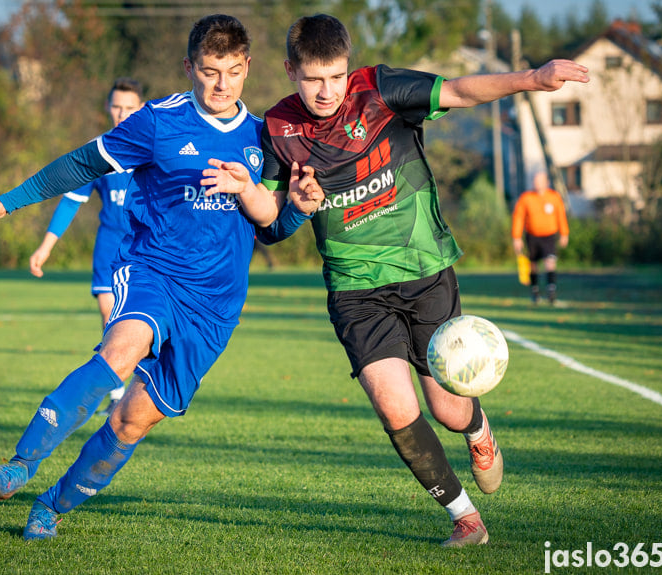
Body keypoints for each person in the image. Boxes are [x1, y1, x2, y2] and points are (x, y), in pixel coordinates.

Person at [211, 14, 589, 547]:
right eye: (314, 78)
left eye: (336, 76)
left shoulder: (379, 89)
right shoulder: (277, 128)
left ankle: (477, 430)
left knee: (449, 409)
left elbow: (459, 89)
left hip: (424, 271)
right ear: (291, 70)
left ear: (348, 68)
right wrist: (278, 200)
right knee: (395, 408)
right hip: (354, 288)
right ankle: (465, 518)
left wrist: (532, 78)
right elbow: (272, 224)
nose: (327, 91)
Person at [0, 14, 309, 541]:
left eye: (233, 72)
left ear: (248, 68)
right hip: (153, 272)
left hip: (215, 306)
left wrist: (299, 209)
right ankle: (20, 463)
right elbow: (83, 164)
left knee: (131, 422)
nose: (222, 84)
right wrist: (8, 203)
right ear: (189, 66)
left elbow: (271, 229)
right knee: (121, 349)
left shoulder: (263, 137)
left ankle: (51, 506)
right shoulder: (157, 122)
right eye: (210, 71)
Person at [29, 77, 144, 415]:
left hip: (147, 251)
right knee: (110, 320)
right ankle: (117, 395)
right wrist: (45, 248)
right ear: (109, 108)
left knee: (145, 325)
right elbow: (70, 201)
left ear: (141, 107)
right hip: (110, 248)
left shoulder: (154, 149)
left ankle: (144, 389)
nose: (122, 114)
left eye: (129, 107)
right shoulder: (101, 151)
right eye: (117, 106)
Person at [511, 171, 570, 304]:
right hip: (532, 236)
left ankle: (551, 293)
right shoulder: (526, 198)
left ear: (546, 182)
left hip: (549, 236)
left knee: (550, 262)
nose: (536, 184)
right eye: (535, 181)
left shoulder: (554, 197)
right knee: (533, 265)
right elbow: (518, 217)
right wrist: (516, 237)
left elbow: (561, 215)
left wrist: (564, 233)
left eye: (539, 181)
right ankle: (535, 292)